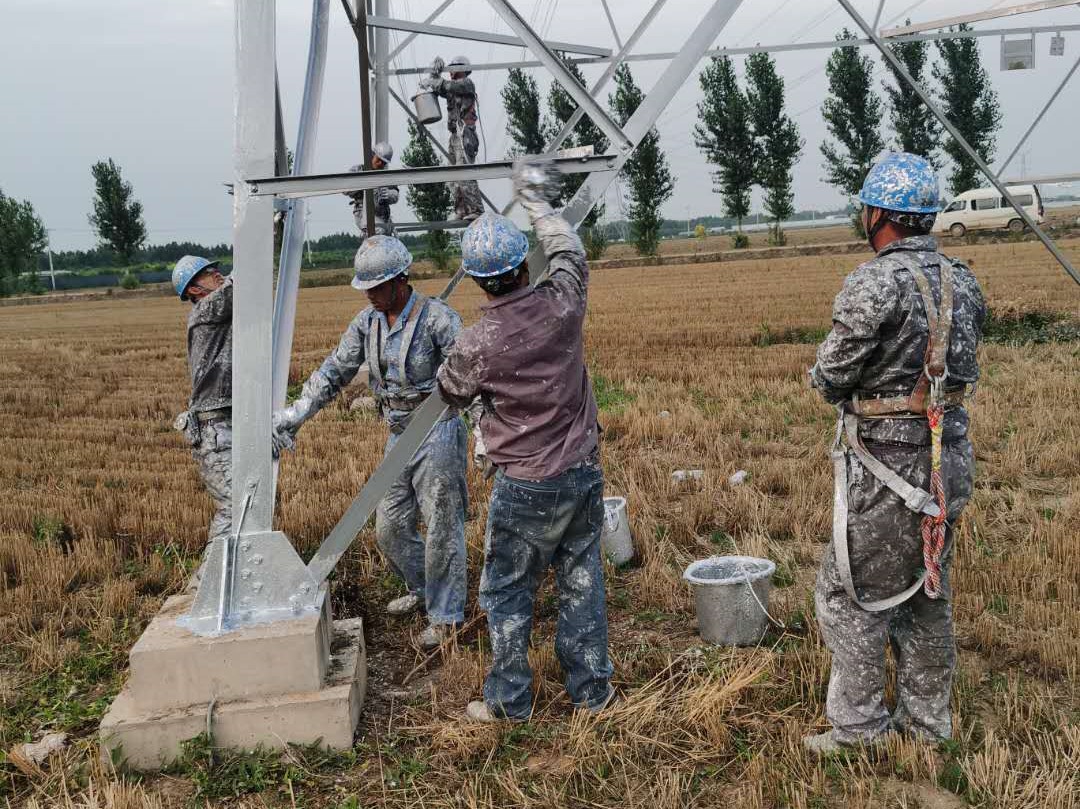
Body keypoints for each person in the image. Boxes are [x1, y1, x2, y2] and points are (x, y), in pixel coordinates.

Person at [806, 152, 986, 754]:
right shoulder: (964, 279)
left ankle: (858, 731)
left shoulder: (872, 282)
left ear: (879, 212)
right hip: (948, 460)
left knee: (851, 593)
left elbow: (831, 375)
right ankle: (929, 723)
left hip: (890, 466)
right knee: (928, 588)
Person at [436, 157, 613, 722]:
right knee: (582, 583)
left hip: (525, 486)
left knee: (508, 592)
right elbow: (569, 252)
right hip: (582, 471)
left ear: (478, 279)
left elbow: (449, 393)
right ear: (520, 267)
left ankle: (510, 702)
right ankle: (592, 694)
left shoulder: (477, 342)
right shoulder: (563, 303)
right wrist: (536, 202)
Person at [272, 236, 467, 649]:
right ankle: (424, 588)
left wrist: (487, 433)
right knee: (390, 529)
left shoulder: (438, 319)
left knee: (442, 527)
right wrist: (297, 414)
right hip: (397, 433)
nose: (371, 296)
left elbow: (472, 378)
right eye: (366, 289)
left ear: (401, 280)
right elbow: (334, 372)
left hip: (439, 429)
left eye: (377, 287)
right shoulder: (366, 323)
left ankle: (448, 617)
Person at [171, 255, 233, 592]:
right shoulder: (206, 309)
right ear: (195, 288)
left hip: (228, 423)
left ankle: (224, 583)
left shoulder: (214, 308)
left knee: (246, 504)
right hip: (215, 431)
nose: (217, 274)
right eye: (210, 273)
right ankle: (204, 588)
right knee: (235, 507)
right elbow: (245, 281)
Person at [424, 55, 484, 222]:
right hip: (455, 135)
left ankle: (476, 209)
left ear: (461, 69)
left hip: (465, 133)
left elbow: (446, 85)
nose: (450, 73)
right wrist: (433, 75)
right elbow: (440, 88)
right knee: (453, 177)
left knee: (464, 171)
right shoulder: (452, 89)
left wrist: (435, 80)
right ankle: (461, 209)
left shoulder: (466, 84)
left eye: (452, 69)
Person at [346, 141, 399, 237]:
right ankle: (367, 235)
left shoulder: (386, 176)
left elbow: (395, 194)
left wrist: (388, 195)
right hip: (364, 214)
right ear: (372, 155)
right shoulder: (358, 170)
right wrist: (364, 183)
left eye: (383, 163)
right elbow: (345, 189)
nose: (380, 164)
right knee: (378, 232)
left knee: (393, 237)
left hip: (383, 215)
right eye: (378, 160)